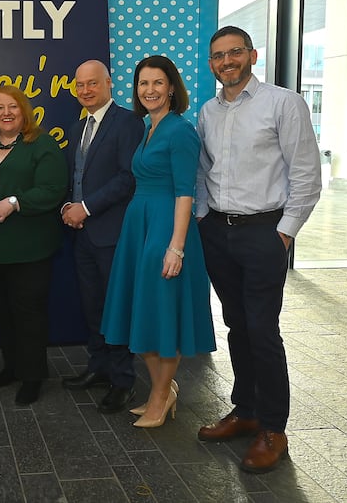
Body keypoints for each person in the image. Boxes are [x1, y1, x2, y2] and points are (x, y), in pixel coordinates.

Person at [195, 26, 321, 473]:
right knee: (236, 325)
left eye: (234, 53)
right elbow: (205, 171)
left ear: (251, 55)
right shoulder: (208, 112)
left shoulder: (283, 103)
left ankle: (273, 429)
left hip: (265, 232)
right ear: (210, 64)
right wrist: (204, 218)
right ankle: (245, 411)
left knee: (263, 331)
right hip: (219, 233)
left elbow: (306, 174)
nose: (226, 62)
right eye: (217, 56)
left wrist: (284, 234)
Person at [101, 55, 215, 428]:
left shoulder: (180, 131)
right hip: (140, 224)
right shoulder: (149, 126)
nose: (149, 90)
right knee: (142, 312)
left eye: (157, 83)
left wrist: (176, 247)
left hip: (166, 226)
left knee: (163, 312)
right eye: (143, 83)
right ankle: (163, 388)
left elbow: (185, 193)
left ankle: (161, 394)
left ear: (171, 88)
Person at [0, 85, 68, 405]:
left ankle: (33, 376)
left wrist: (14, 202)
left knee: (29, 313)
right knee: (3, 312)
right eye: (0, 108)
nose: (7, 113)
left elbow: (53, 189)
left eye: (13, 107)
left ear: (24, 111)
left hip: (31, 249)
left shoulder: (42, 144)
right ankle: (12, 366)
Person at [61, 60, 145, 413]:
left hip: (112, 235)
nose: (85, 90)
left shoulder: (127, 122)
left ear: (109, 83)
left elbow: (128, 177)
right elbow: (80, 176)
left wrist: (87, 208)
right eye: (80, 85)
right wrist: (69, 205)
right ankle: (98, 367)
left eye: (92, 83)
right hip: (83, 236)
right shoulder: (81, 126)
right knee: (92, 305)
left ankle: (123, 380)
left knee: (116, 308)